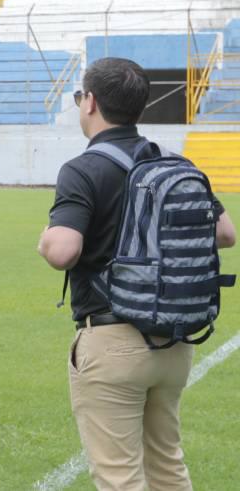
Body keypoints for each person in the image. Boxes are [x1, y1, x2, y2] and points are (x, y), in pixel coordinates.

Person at [39, 57, 236, 491]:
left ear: (89, 102)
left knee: (119, 477)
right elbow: (225, 234)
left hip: (113, 342)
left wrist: (46, 236)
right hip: (175, 339)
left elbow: (62, 251)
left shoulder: (82, 169)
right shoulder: (175, 161)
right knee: (168, 467)